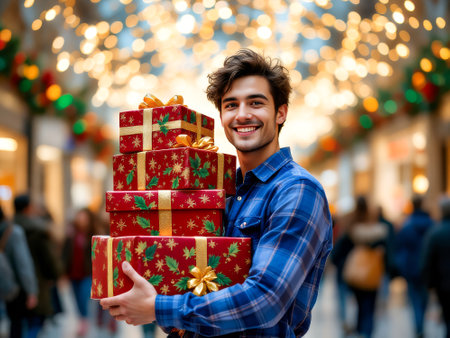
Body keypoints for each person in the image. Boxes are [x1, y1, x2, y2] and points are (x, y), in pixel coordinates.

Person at [101, 48, 333, 337]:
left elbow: (266, 300)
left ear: (281, 112)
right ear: (222, 116)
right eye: (231, 105)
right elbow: (189, 279)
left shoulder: (296, 189)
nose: (243, 115)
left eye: (256, 103)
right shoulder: (220, 193)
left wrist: (159, 307)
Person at [13, 194, 62, 338]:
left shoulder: (8, 228)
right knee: (36, 322)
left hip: (13, 286)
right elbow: (48, 260)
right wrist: (54, 274)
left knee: (17, 323)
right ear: (28, 208)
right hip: (37, 282)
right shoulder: (37, 231)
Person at [343, 196, 388, 338]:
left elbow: (342, 246)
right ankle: (366, 331)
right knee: (370, 304)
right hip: (372, 269)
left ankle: (360, 329)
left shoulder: (351, 224)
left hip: (356, 270)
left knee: (360, 304)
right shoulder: (377, 228)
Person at [395, 195, 434, 338]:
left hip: (411, 268)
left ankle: (418, 326)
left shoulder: (407, 224)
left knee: (415, 298)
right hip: (426, 268)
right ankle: (421, 324)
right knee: (424, 298)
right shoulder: (431, 224)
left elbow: (400, 248)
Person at [0, 205, 38, 338]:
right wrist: (31, 291)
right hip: (14, 289)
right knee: (17, 325)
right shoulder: (13, 232)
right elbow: (23, 264)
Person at [62, 208, 97, 336]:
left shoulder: (93, 234)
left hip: (86, 274)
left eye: (84, 218)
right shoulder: (71, 233)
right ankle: (82, 319)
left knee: (83, 298)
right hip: (73, 273)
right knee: (75, 299)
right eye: (79, 217)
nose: (81, 220)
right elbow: (65, 253)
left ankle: (85, 320)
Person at [421, 196, 450, 338]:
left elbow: (428, 260)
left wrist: (429, 283)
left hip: (443, 284)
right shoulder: (434, 232)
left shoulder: (435, 233)